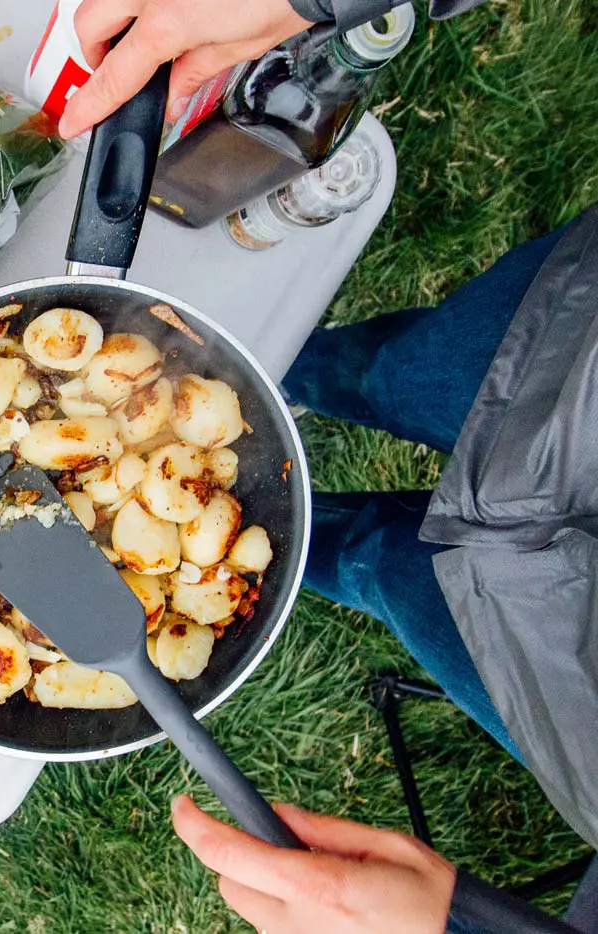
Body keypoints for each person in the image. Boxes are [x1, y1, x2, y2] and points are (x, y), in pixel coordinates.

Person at [56, 0, 598, 931]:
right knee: (393, 373)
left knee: (381, 569)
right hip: (579, 361)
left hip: (571, 682)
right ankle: (293, 374)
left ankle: (296, 528)